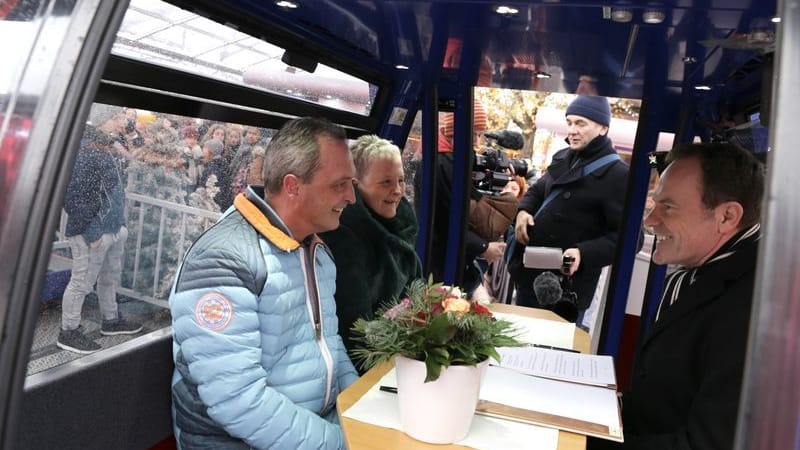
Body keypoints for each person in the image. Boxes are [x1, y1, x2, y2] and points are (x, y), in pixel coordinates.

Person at [169, 117, 359, 450]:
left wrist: (359, 415)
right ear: (293, 186)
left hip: (312, 428)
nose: (351, 197)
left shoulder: (314, 250)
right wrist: (341, 442)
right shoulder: (224, 261)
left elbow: (330, 345)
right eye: (339, 184)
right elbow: (239, 401)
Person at [589, 142, 765, 450]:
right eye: (654, 203)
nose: (650, 221)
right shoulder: (709, 270)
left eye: (668, 207)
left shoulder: (754, 309)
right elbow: (661, 401)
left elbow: (706, 444)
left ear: (727, 217)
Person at [509, 95, 630, 322]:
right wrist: (523, 211)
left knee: (552, 353)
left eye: (581, 123)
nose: (572, 130)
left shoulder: (619, 175)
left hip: (567, 287)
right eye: (570, 122)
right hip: (530, 273)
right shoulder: (563, 157)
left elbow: (630, 239)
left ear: (603, 128)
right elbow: (538, 190)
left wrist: (583, 253)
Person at [320, 135, 422, 352]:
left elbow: (418, 290)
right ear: (356, 186)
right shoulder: (343, 239)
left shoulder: (402, 227)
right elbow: (355, 333)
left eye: (401, 180)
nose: (397, 190)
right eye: (386, 181)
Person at [57, 104, 143, 354]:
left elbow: (113, 187)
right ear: (102, 119)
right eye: (116, 116)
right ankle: (68, 331)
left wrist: (120, 224)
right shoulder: (85, 148)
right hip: (91, 232)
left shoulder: (106, 146)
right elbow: (72, 195)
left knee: (109, 277)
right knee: (82, 281)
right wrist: (93, 232)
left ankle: (110, 320)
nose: (121, 121)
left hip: (113, 228)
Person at [421, 101, 506, 294]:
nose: (476, 142)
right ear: (455, 131)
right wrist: (483, 247)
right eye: (473, 134)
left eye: (479, 134)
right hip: (442, 267)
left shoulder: (442, 158)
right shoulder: (445, 164)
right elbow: (448, 220)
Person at [196, 138, 232, 210]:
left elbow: (211, 191)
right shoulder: (220, 164)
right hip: (221, 204)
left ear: (211, 151)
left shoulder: (213, 168)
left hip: (213, 207)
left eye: (205, 148)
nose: (203, 151)